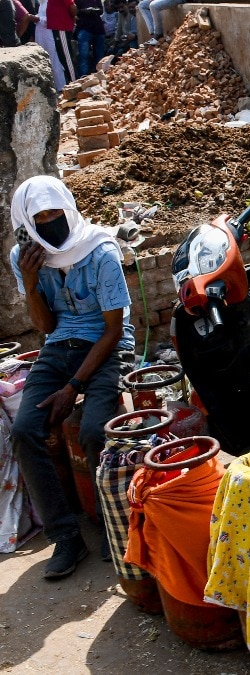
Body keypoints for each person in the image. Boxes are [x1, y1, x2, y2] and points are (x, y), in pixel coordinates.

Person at [7, 176, 136, 579]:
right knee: (25, 430)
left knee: (95, 432)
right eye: (39, 218)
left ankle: (109, 524)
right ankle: (65, 537)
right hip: (60, 343)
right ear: (27, 223)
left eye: (54, 213)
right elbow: (46, 327)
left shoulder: (100, 252)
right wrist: (31, 284)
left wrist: (73, 387)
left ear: (68, 209)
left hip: (106, 344)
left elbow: (113, 329)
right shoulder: (26, 257)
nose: (49, 223)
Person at [74, 0, 105, 76]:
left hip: (98, 28)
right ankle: (83, 79)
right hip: (84, 28)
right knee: (83, 56)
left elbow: (101, 10)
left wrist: (95, 10)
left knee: (100, 56)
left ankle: (99, 77)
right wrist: (85, 11)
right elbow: (74, 11)